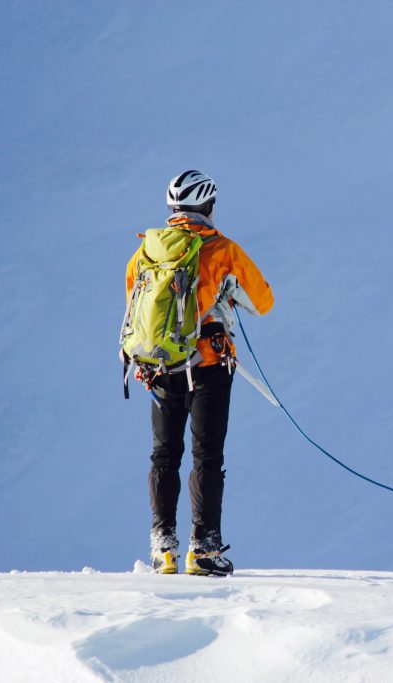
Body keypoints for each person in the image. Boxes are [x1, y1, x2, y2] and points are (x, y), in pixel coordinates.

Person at [124, 170, 274, 576]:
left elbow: (135, 309)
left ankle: (163, 549)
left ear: (173, 209)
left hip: (159, 368)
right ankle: (204, 550)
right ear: (209, 206)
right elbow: (263, 301)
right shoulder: (223, 249)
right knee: (207, 457)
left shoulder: (146, 252)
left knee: (163, 455)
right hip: (208, 365)